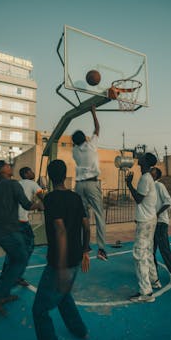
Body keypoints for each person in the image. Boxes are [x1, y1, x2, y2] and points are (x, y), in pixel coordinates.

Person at [32, 159, 90, 340]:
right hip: (75, 258)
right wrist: (85, 251)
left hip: (59, 263)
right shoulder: (75, 197)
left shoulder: (51, 199)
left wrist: (62, 267)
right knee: (64, 297)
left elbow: (61, 230)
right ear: (65, 175)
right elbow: (87, 226)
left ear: (49, 177)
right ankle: (80, 331)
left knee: (39, 310)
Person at [0, 160, 40, 315]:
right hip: (9, 230)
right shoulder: (13, 184)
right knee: (21, 258)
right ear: (2, 170)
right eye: (7, 165)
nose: (10, 167)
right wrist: (41, 205)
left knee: (14, 257)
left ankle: (4, 292)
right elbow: (27, 205)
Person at [0, 166, 44, 287]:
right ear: (26, 173)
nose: (33, 172)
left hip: (11, 220)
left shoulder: (16, 184)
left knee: (12, 249)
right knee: (28, 247)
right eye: (31, 171)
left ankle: (4, 276)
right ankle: (16, 276)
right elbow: (44, 198)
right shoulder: (32, 184)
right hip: (21, 222)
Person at [72, 105, 107, 261]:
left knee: (82, 216)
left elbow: (77, 141)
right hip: (92, 184)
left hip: (79, 186)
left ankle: (83, 245)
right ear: (85, 138)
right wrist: (93, 111)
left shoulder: (74, 151)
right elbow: (97, 127)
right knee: (99, 215)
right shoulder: (91, 145)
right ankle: (101, 249)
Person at [126, 153, 159, 303]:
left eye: (142, 156)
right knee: (147, 251)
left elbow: (139, 199)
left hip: (145, 221)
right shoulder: (147, 177)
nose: (139, 156)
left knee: (139, 254)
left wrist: (129, 185)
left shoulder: (146, 178)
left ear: (145, 161)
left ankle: (146, 292)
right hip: (150, 219)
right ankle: (154, 280)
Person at [150, 167, 171, 283]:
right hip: (152, 223)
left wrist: (157, 214)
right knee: (150, 250)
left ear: (156, 176)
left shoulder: (159, 185)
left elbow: (168, 201)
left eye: (152, 173)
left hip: (160, 223)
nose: (149, 174)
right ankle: (153, 274)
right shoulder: (149, 186)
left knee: (164, 249)